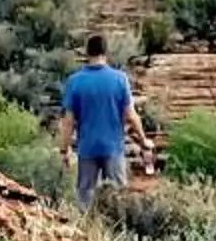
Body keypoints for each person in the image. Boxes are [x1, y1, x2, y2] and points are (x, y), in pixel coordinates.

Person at [58, 35, 148, 206]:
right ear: (106, 52)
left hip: (87, 148)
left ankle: (86, 231)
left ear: (87, 52)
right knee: (119, 200)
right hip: (113, 148)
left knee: (85, 199)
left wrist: (64, 149)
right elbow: (130, 114)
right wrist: (144, 140)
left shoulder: (75, 81)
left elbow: (68, 120)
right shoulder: (119, 79)